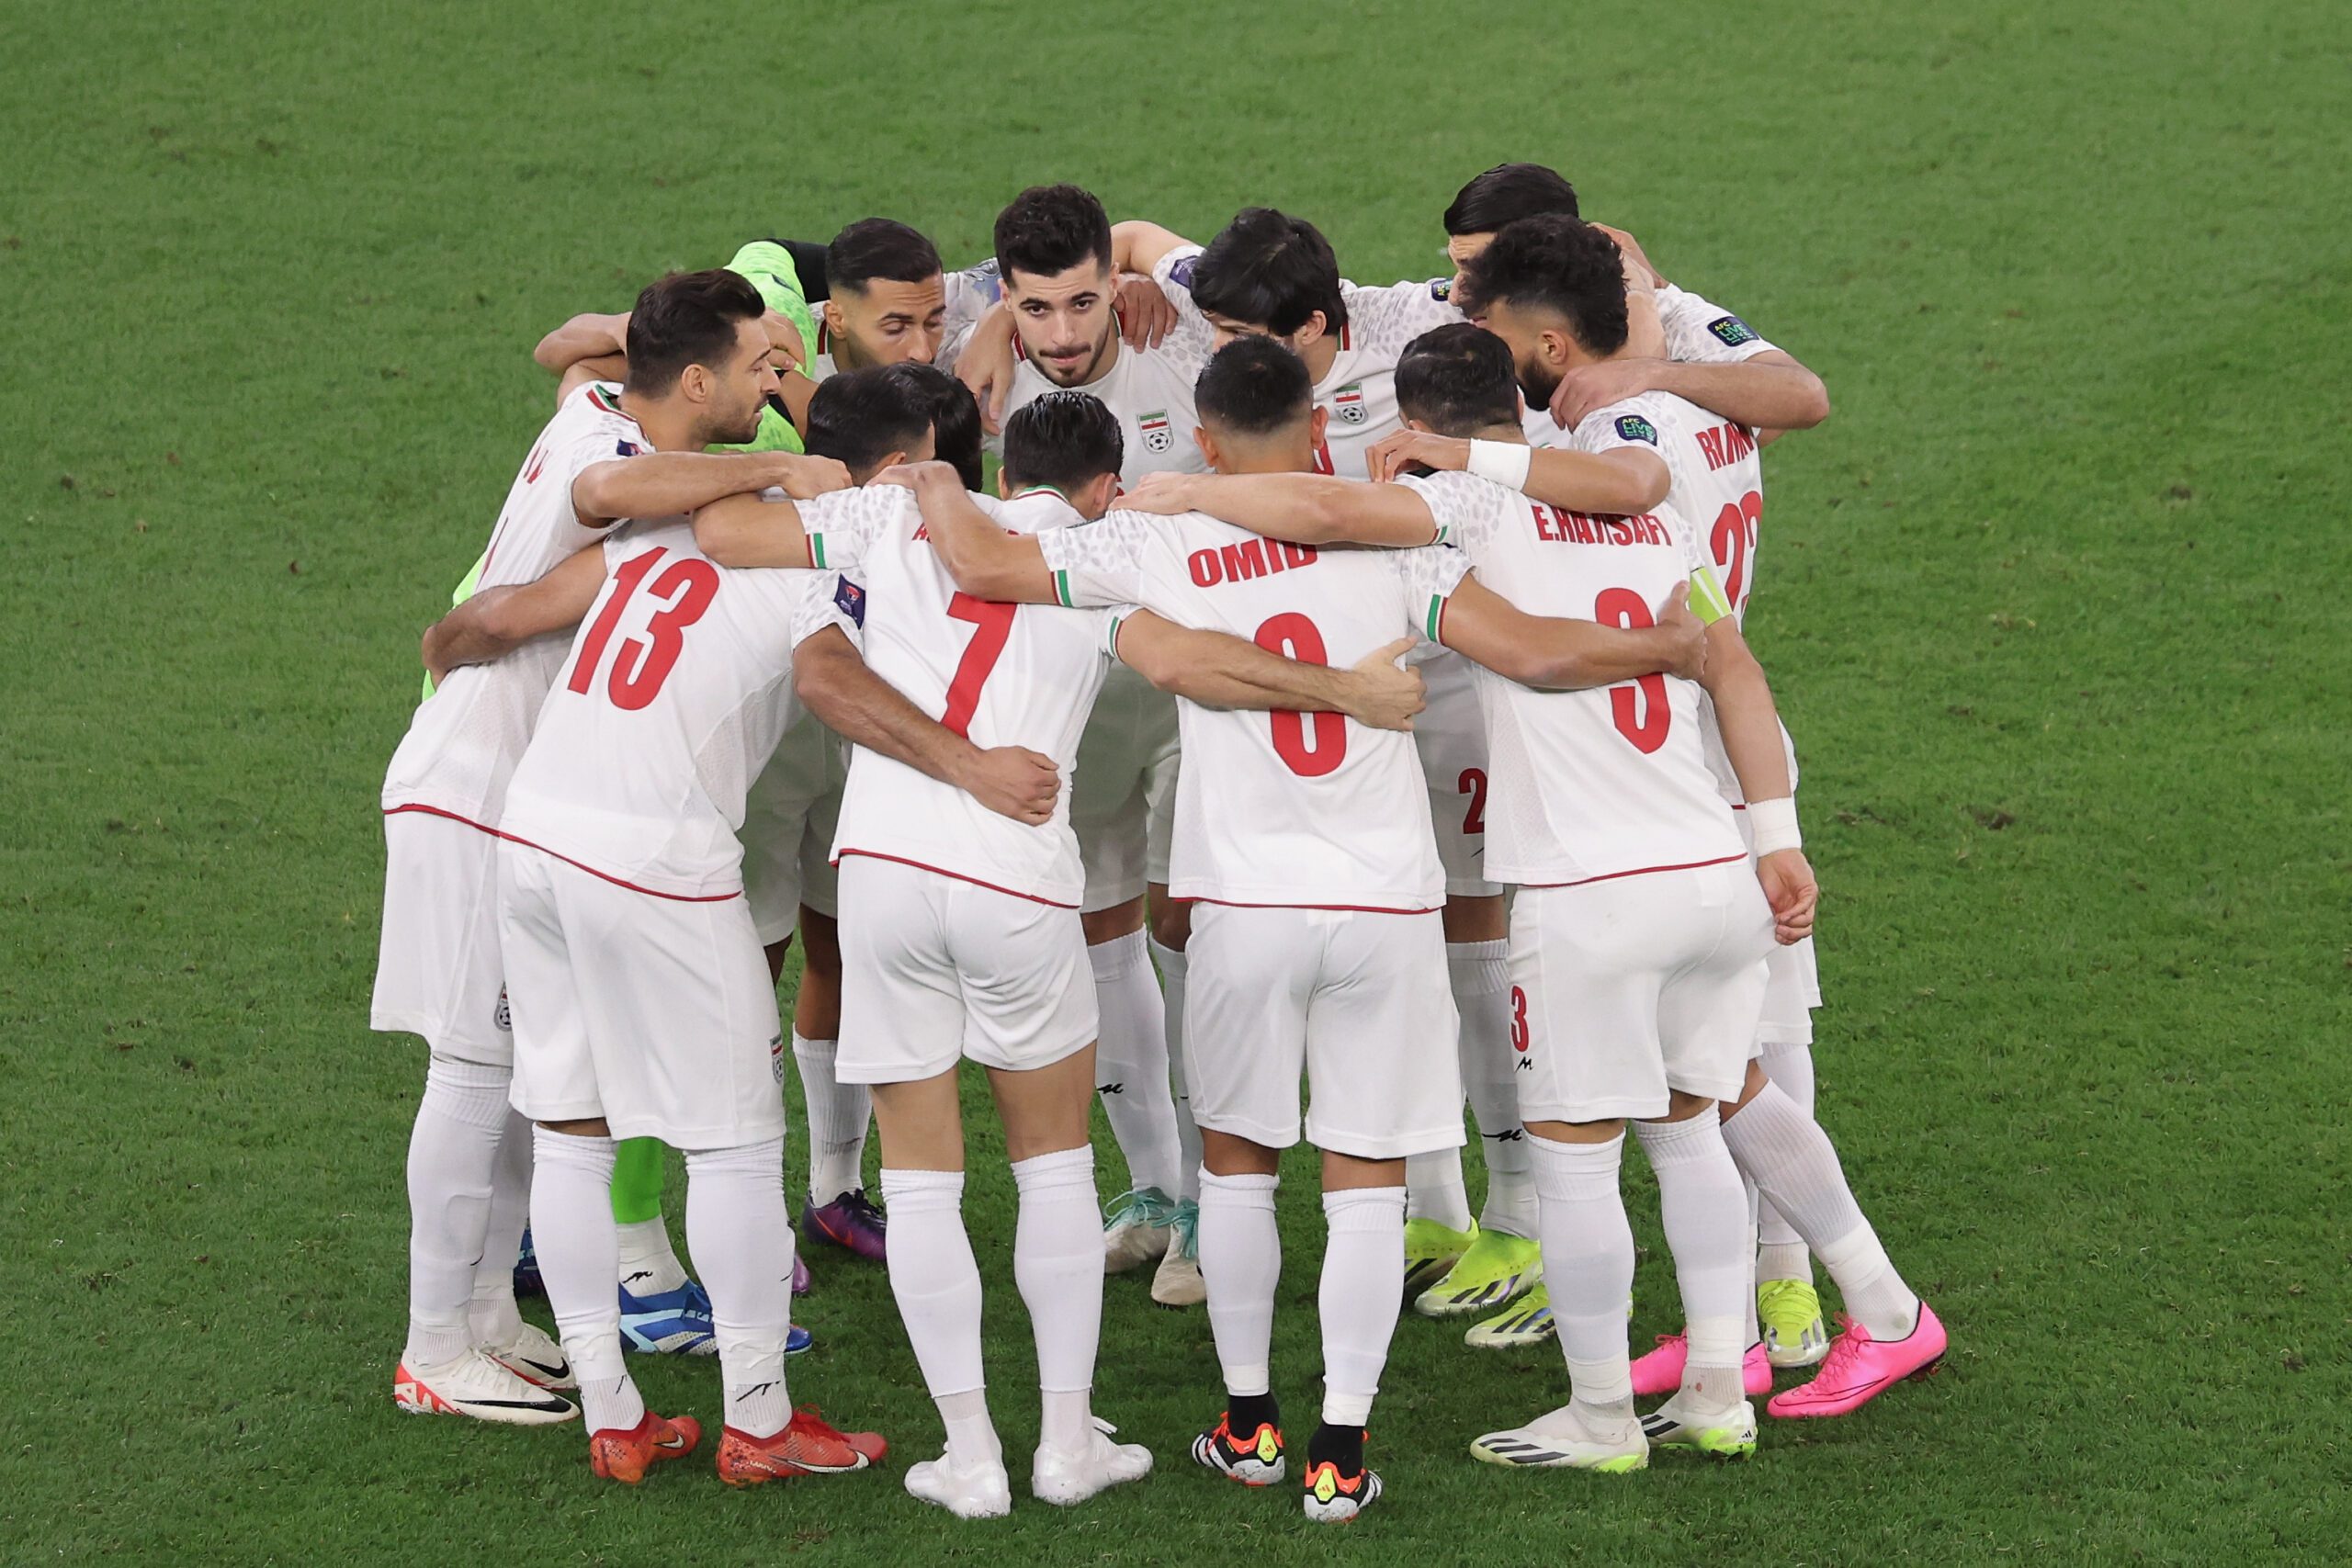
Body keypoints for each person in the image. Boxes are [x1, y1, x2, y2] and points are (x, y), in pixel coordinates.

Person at [918, 344, 1704, 1519]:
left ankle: (1247, 1426)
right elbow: (1538, 652)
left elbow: (980, 562)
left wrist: (921, 478)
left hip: (1240, 906)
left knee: (1235, 1169)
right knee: (1363, 1182)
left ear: (1209, 439)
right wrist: (1675, 647)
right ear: (1317, 431)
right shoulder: (1394, 540)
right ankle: (1341, 1445)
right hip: (1389, 904)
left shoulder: (1154, 539)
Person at [688, 389, 1425, 1517]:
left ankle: (972, 1455)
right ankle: (1068, 1441)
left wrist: (862, 483)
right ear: (1100, 485)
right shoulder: (1100, 553)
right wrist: (1345, 693)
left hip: (881, 874)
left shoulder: (896, 523)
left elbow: (723, 532)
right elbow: (1192, 664)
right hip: (1019, 879)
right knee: (1052, 1169)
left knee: (922, 1179)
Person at [1127, 317, 1818, 1472]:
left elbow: (1329, 513)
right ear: (1521, 407)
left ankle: (1600, 1415)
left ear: (1413, 427)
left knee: (1581, 1157)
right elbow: (1729, 661)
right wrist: (1775, 837)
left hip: (1584, 889)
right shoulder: (1648, 509)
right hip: (1710, 864)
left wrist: (1189, 499)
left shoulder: (1456, 510)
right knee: (1691, 1131)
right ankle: (1716, 1389)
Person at [1451, 219, 1944, 1417]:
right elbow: (1798, 396)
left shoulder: (1613, 440)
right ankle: (1761, 1327)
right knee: (1716, 1082)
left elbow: (1660, 562)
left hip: (1686, 781)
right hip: (1697, 768)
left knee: (1748, 1071)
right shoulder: (1697, 385)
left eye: (1490, 305)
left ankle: (1824, 1310)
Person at [374, 268, 846, 1424]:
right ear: (694, 382)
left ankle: (485, 1314)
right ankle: (431, 1346)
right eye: (757, 372)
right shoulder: (616, 460)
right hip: (484, 788)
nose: (772, 392)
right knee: (475, 1070)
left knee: (530, 1084)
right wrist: (780, 466)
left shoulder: (602, 405)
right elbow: (607, 484)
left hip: (508, 787)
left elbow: (577, 353)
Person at [956, 185, 1219, 1301]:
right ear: (1002, 295)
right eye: (1035, 309)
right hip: (1070, 709)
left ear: (1111, 283)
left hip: (1197, 697)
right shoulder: (981, 366)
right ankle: (1154, 1190)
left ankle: (1216, 1204)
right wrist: (980, 336)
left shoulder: (1181, 334)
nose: (1062, 335)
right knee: (1095, 929)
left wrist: (1146, 268)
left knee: (1189, 928)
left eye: (1080, 302)